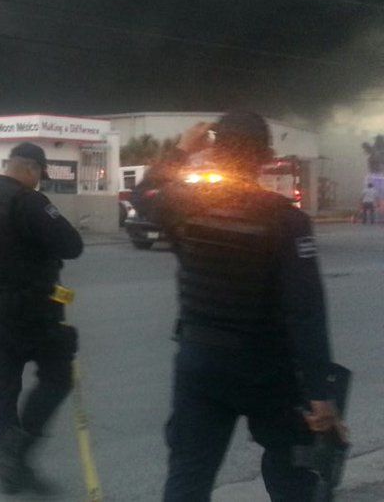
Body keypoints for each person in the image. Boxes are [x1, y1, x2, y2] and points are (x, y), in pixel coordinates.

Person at [139, 111, 347, 501]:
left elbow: (145, 194)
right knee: (293, 466)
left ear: (214, 153)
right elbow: (306, 311)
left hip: (200, 362)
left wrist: (183, 149)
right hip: (267, 370)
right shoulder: (286, 220)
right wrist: (320, 394)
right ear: (267, 157)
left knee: (189, 475)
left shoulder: (183, 205)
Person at [0, 142, 84, 495]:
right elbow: (72, 245)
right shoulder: (30, 201)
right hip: (33, 314)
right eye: (39, 176)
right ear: (31, 169)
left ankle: (10, 470)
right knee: (58, 377)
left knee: (2, 386)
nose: (38, 182)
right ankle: (20, 447)